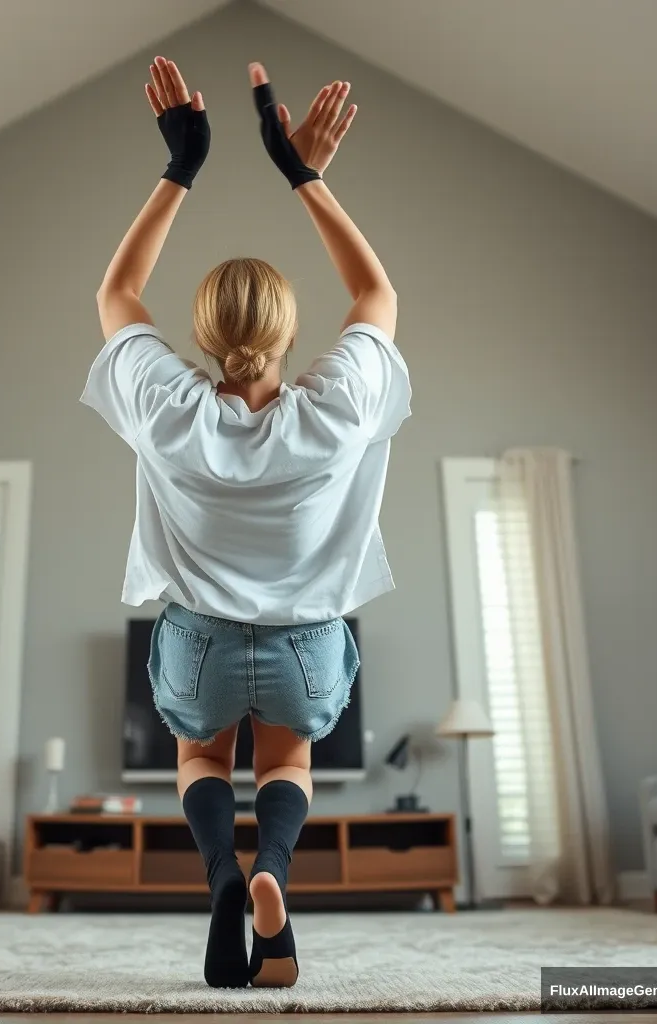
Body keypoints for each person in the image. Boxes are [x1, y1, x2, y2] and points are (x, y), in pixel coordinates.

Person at [81, 56, 410, 989]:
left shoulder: (171, 408)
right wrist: (303, 172)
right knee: (291, 754)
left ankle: (225, 877)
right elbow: (377, 296)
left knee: (198, 752)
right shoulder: (336, 407)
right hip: (307, 642)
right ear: (288, 331)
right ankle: (272, 871)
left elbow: (116, 296)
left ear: (203, 334)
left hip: (200, 641)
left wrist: (181, 165)